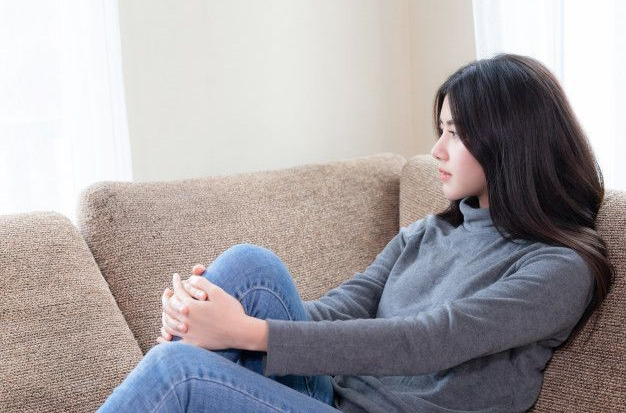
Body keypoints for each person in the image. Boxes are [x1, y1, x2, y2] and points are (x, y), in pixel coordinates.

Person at [96, 53, 613, 413]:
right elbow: (339, 309)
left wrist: (241, 333)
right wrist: (207, 319)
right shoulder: (428, 233)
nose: (435, 150)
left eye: (454, 134)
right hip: (331, 399)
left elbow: (429, 342)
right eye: (441, 131)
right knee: (252, 268)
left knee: (177, 372)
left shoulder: (556, 268)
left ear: (511, 142)